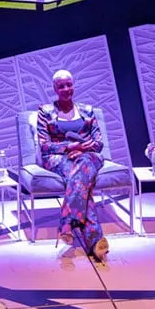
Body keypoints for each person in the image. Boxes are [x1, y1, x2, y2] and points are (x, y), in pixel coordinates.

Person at [36, 70, 109, 262]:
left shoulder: (87, 110)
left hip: (88, 156)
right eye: (61, 86)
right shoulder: (45, 112)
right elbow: (44, 145)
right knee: (81, 182)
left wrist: (82, 149)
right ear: (55, 89)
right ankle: (96, 242)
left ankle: (67, 223)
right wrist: (69, 147)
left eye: (69, 84)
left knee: (83, 163)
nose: (66, 89)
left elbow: (99, 142)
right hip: (60, 158)